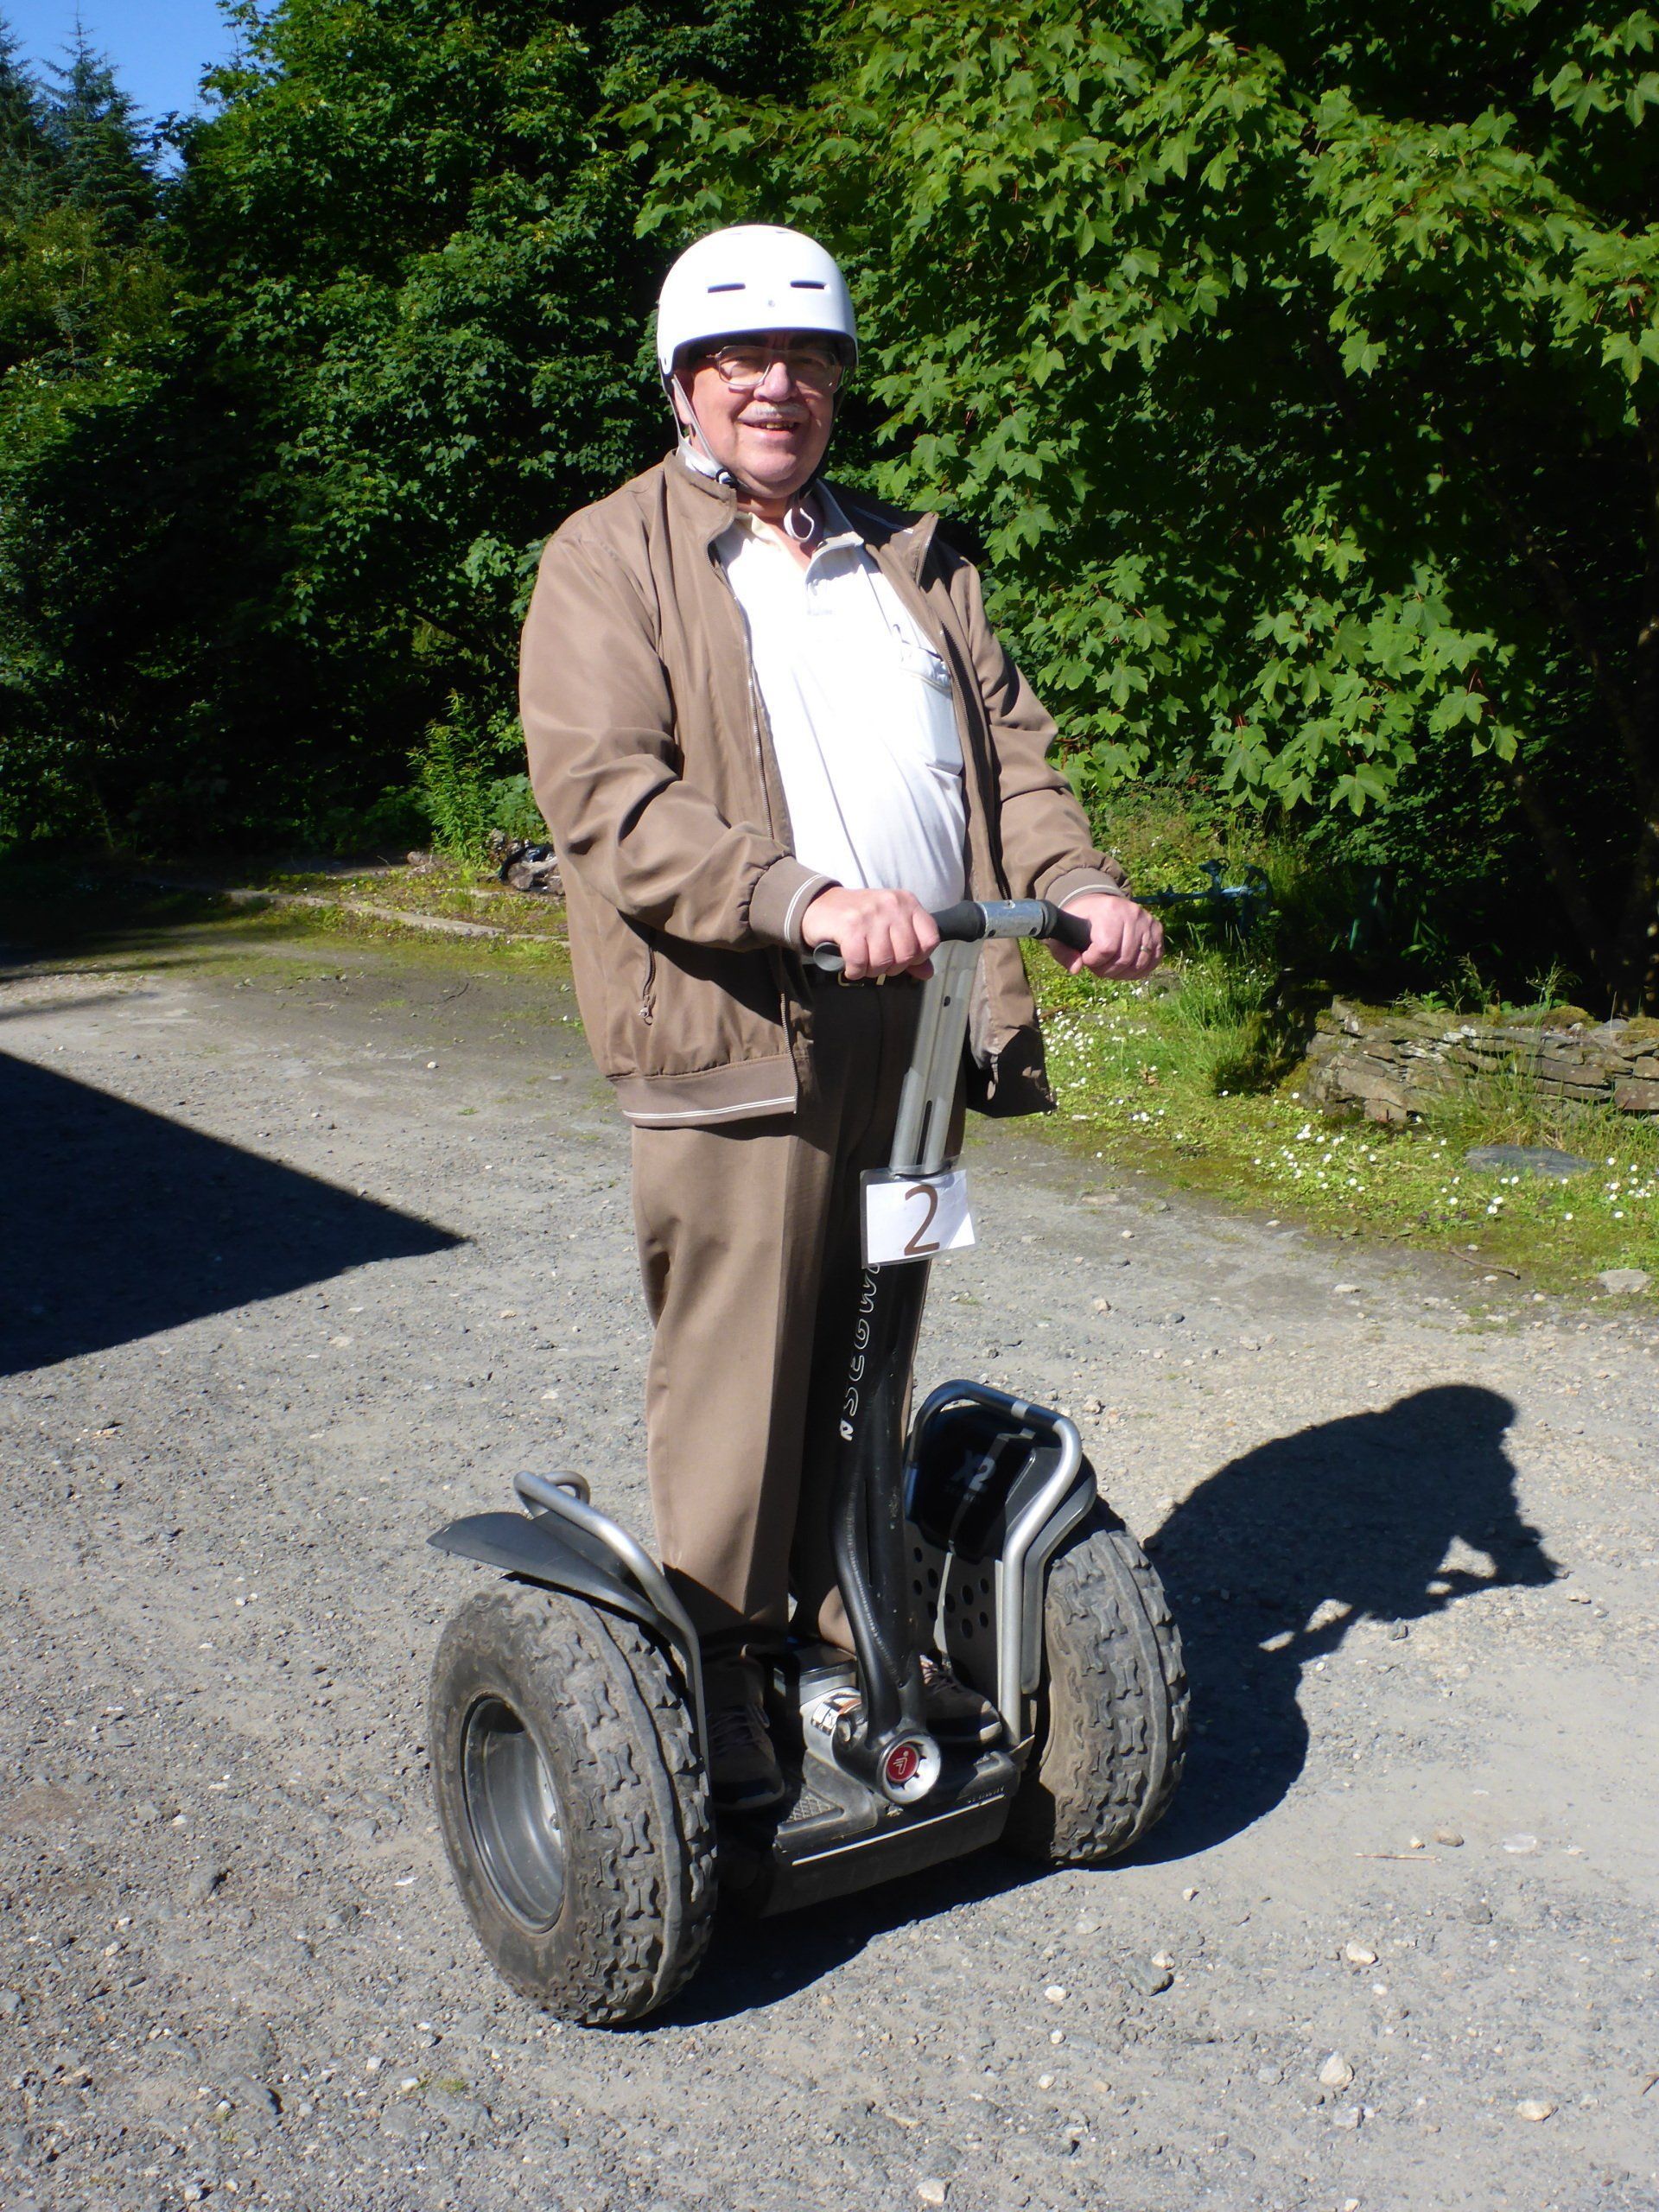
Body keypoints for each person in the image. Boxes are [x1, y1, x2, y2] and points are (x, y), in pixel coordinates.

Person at [519, 225, 1163, 1810]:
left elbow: (1012, 761)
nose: (777, 387)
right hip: (746, 1023)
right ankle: (724, 1666)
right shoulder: (610, 558)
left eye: (806, 360)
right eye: (741, 361)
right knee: (747, 1362)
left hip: (930, 1015)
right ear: (684, 380)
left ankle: (849, 1613)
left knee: (879, 1338)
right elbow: (610, 799)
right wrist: (797, 895)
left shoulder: (911, 558)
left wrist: (1079, 881)